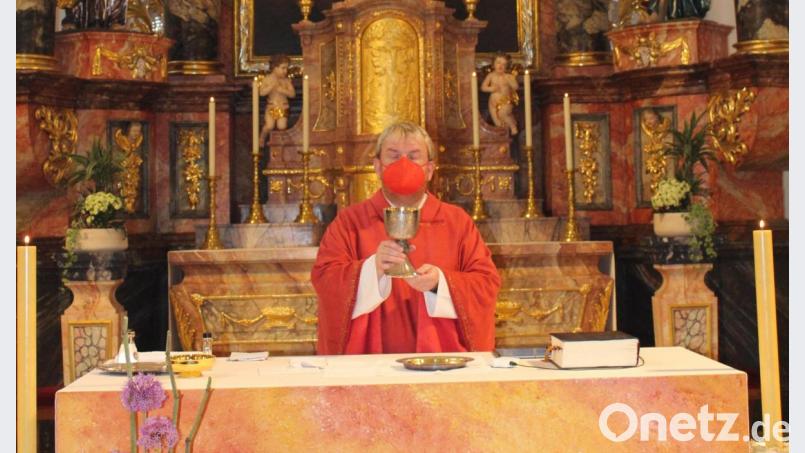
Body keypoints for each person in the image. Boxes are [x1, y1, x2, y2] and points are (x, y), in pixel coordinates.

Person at [311, 122, 501, 355]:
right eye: (393, 156)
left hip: (441, 359)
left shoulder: (456, 222)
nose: (404, 164)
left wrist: (440, 283)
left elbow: (486, 285)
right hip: (369, 361)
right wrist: (373, 269)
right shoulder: (350, 222)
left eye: (413, 156)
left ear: (430, 169)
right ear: (378, 166)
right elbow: (325, 280)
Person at [258, 54, 295, 146]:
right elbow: (261, 93)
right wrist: (271, 87)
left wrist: (282, 90)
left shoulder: (286, 81)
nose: (285, 71)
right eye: (283, 68)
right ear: (274, 67)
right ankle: (262, 138)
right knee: (269, 126)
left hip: (283, 106)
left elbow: (292, 94)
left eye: (286, 68)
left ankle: (279, 142)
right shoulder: (267, 79)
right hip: (271, 106)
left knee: (282, 126)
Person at [481, 53, 519, 136]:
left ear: (507, 67)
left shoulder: (508, 76)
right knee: (497, 121)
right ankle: (502, 134)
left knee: (503, 114)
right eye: (498, 62)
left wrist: (511, 81)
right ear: (493, 64)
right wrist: (491, 88)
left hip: (506, 101)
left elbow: (516, 87)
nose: (500, 66)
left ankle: (513, 126)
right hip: (492, 103)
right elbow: (483, 87)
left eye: (504, 64)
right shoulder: (491, 76)